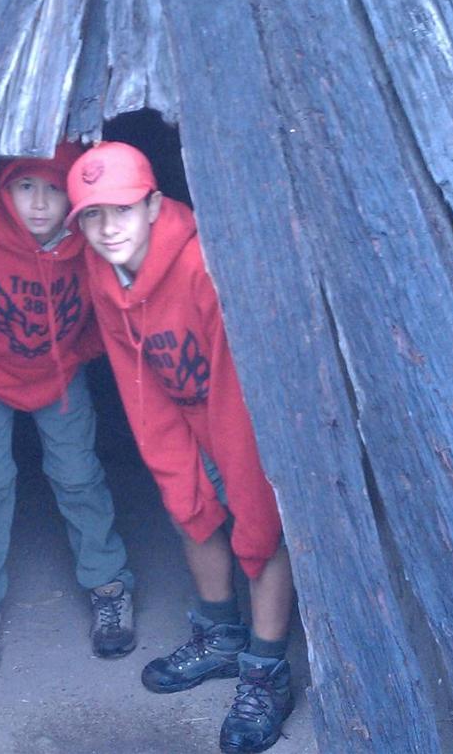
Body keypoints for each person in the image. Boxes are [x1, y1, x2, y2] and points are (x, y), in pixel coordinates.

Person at [65, 141, 295, 754]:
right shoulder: (103, 269)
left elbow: (234, 386)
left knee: (260, 531)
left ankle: (266, 673)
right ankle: (220, 636)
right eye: (92, 214)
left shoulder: (201, 265)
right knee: (186, 506)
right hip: (184, 407)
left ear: (154, 205)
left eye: (122, 209)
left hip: (244, 414)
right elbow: (134, 374)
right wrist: (174, 465)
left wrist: (241, 480)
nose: (108, 228)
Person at [0, 143, 135, 673]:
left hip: (59, 376)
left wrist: (74, 356)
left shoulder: (89, 249)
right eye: (25, 186)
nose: (38, 203)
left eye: (54, 188)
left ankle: (109, 587)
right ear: (2, 189)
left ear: (74, 197)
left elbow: (111, 320)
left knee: (78, 475)